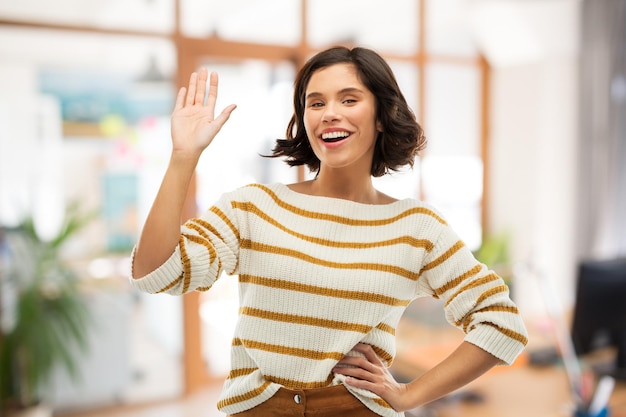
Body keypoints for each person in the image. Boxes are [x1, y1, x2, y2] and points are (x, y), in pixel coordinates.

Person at [130, 46, 528, 417]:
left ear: (380, 115)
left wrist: (409, 395)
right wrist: (183, 158)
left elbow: (500, 321)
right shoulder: (253, 207)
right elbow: (155, 273)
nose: (329, 113)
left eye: (349, 99)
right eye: (315, 102)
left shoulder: (417, 229)